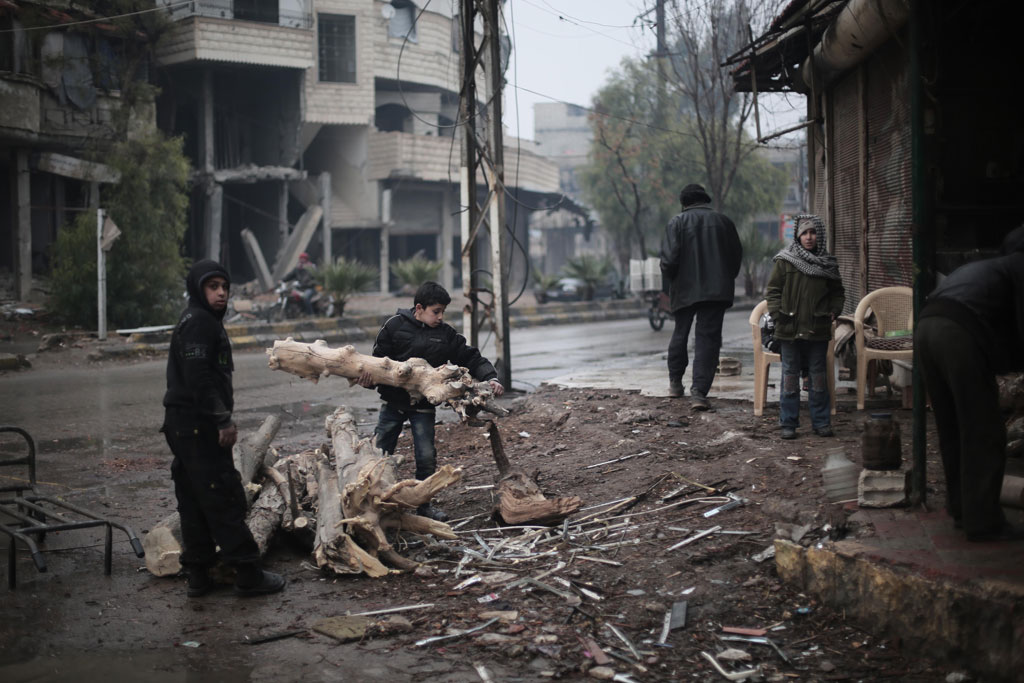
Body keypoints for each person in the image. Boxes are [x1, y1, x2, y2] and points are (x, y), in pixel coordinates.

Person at [162, 259, 285, 597]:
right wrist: (221, 419)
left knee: (193, 498)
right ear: (198, 289)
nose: (221, 294)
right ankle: (247, 573)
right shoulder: (200, 323)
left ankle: (198, 575)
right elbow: (199, 378)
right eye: (212, 287)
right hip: (198, 425)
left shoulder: (197, 320)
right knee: (224, 497)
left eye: (224, 288)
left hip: (183, 423)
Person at [357, 281, 504, 521]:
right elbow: (378, 363)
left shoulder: (445, 335)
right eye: (436, 311)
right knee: (381, 452)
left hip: (424, 406)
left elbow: (470, 356)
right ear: (419, 308)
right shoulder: (394, 326)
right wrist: (369, 380)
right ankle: (373, 501)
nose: (440, 317)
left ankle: (424, 505)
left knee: (426, 456)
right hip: (393, 404)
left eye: (443, 312)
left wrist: (491, 377)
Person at [916, 225, 1024, 542]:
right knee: (984, 430)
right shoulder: (1019, 267)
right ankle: (984, 522)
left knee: (952, 428)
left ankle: (963, 509)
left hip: (926, 328)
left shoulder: (989, 266)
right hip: (957, 335)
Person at [659, 183, 743, 410]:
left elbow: (668, 261)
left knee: (680, 333)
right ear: (705, 200)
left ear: (684, 203)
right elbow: (736, 257)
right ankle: (699, 393)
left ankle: (675, 384)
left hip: (684, 289)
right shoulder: (724, 222)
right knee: (708, 339)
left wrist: (671, 282)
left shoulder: (676, 223)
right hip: (717, 290)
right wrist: (725, 277)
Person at [765, 214, 845, 440]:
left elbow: (837, 293)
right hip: (789, 329)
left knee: (818, 376)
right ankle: (788, 423)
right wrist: (777, 316)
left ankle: (821, 423)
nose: (809, 237)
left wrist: (834, 311)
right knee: (790, 377)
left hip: (817, 329)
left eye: (813, 233)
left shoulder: (828, 263)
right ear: (797, 236)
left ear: (819, 235)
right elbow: (773, 292)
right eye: (804, 233)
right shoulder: (785, 260)